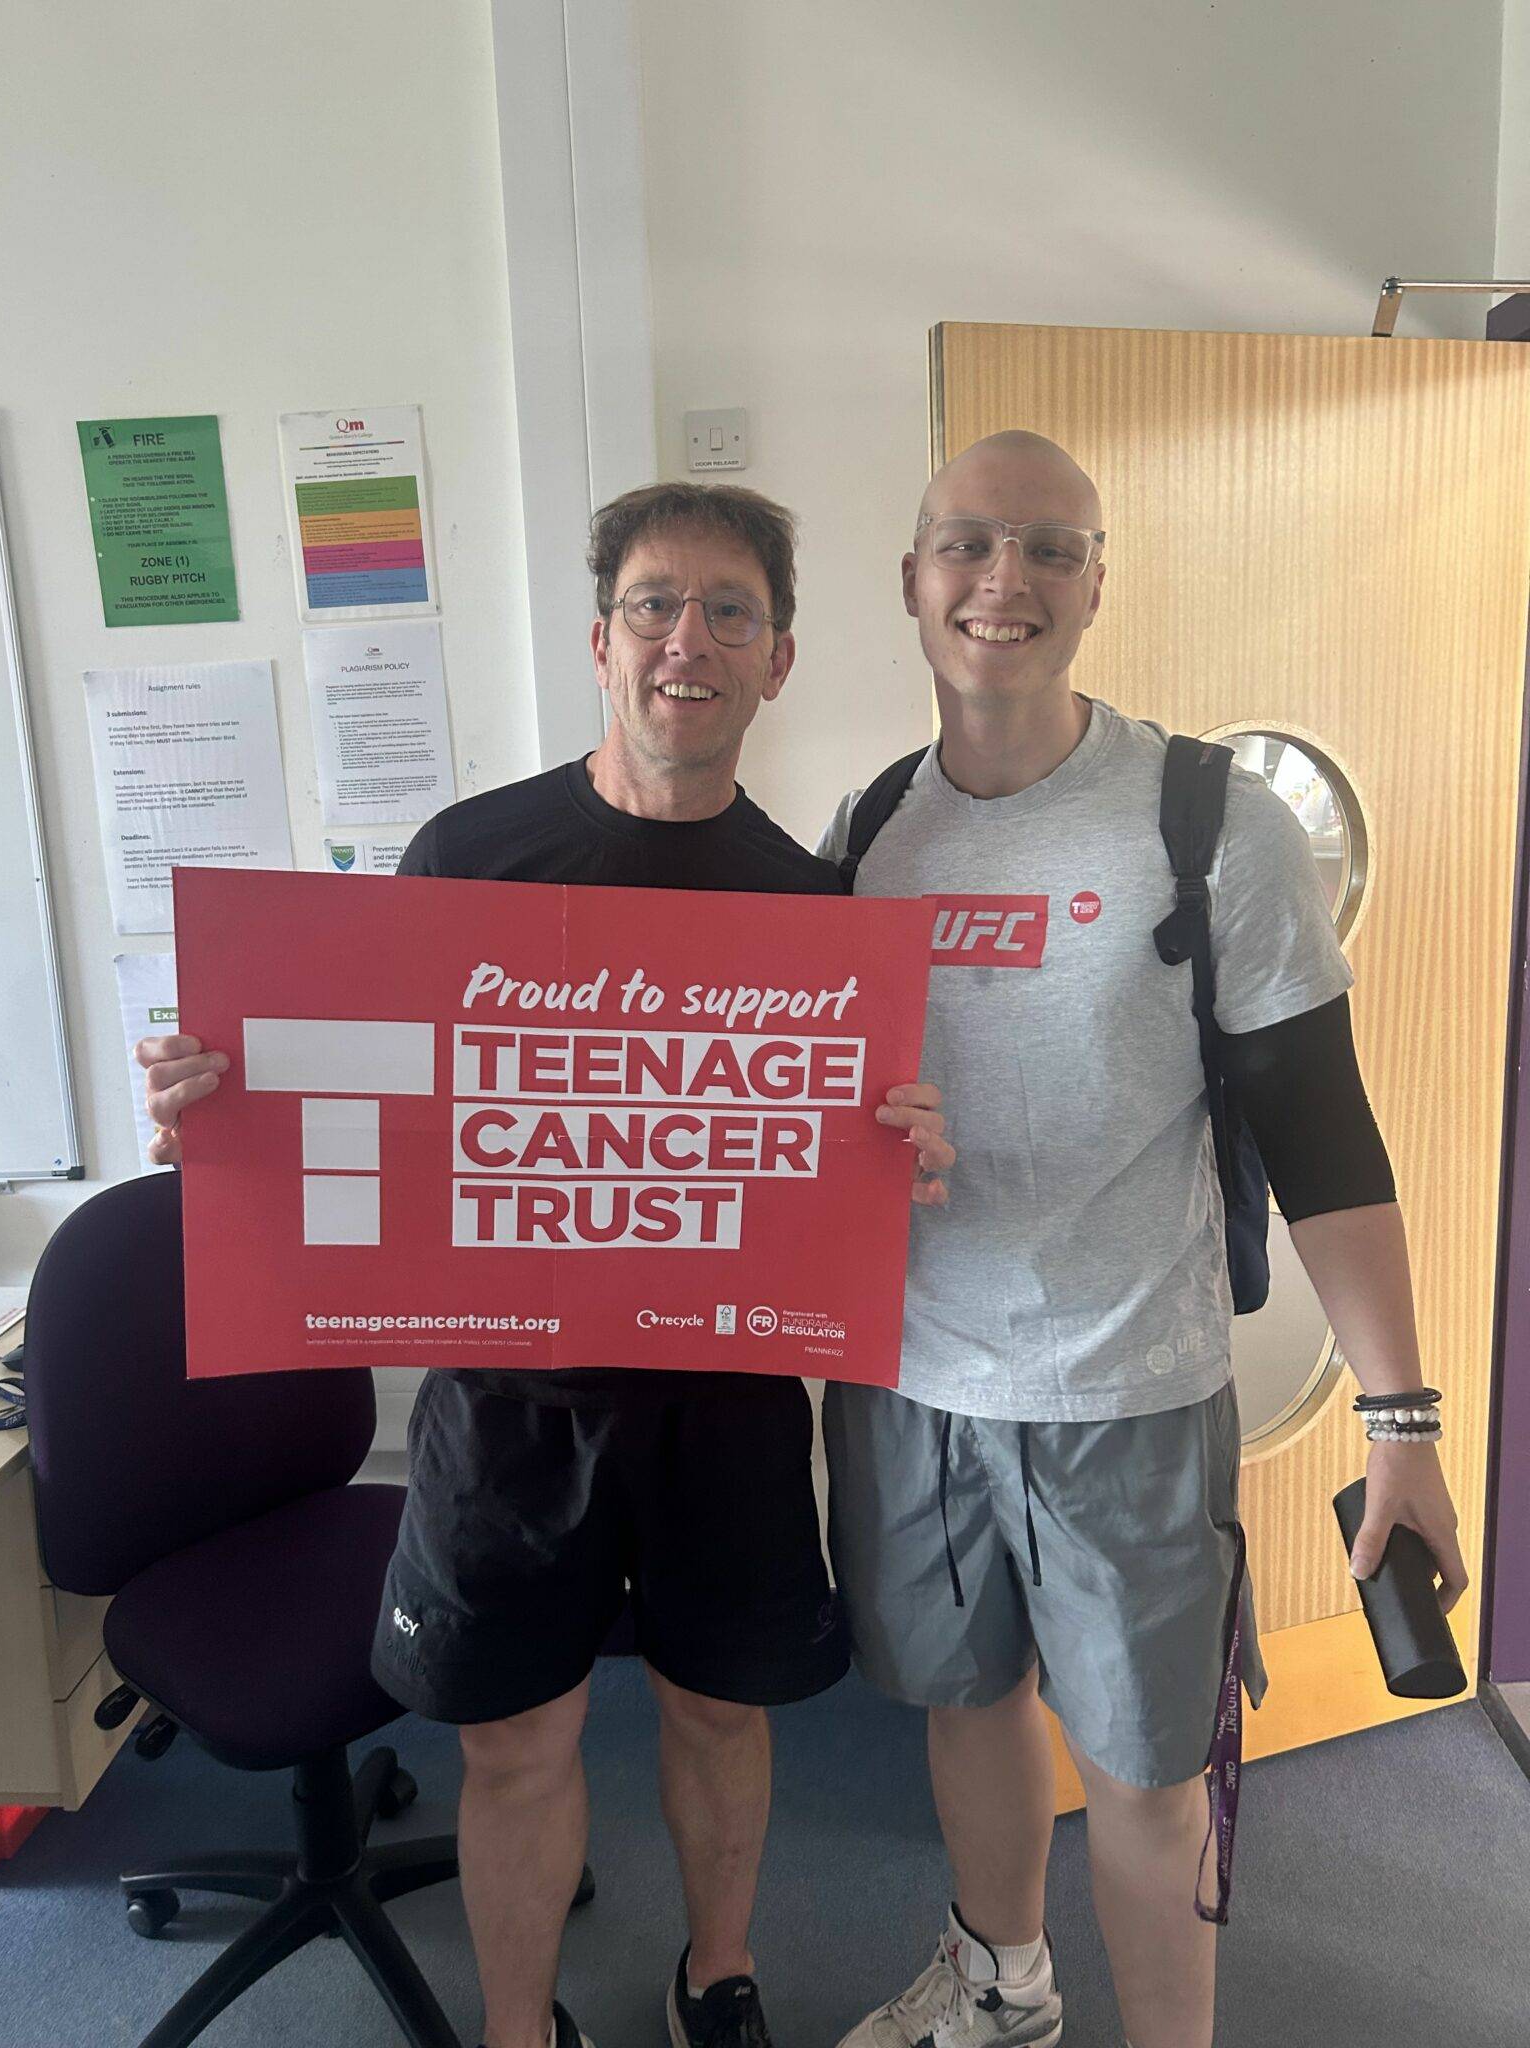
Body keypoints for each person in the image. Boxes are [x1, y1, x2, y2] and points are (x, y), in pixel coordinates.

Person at [136, 481, 954, 2048]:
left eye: (731, 611)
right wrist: (220, 1112)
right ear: (601, 640)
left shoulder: (815, 913)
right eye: (656, 605)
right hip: (506, 1405)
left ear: (778, 660)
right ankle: (520, 2029)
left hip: (724, 1395)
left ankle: (716, 1972)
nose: (688, 641)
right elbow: (357, 1082)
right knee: (517, 1741)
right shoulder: (470, 851)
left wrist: (896, 1144)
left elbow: (821, 1173)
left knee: (723, 1712)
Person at [819, 432, 1466, 2048]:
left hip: (1129, 1398)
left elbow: (1324, 1131)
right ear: (912, 582)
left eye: (1051, 547)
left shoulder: (1205, 821)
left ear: (1097, 586)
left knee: (1148, 1780)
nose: (1006, 580)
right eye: (971, 543)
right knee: (966, 1715)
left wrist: (1399, 1422)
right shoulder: (870, 827)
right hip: (912, 1388)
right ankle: (1003, 1996)